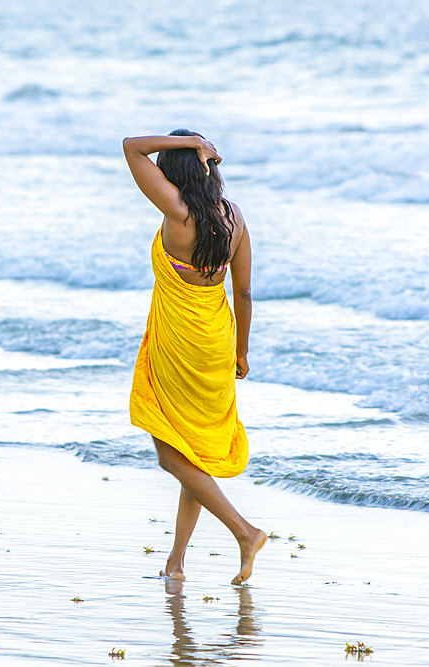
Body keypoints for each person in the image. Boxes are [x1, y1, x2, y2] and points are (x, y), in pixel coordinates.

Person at [124, 130, 266, 585]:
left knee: (171, 455)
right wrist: (242, 350)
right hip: (218, 340)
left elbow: (130, 146)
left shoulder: (177, 212)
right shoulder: (234, 218)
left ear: (176, 170)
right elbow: (243, 291)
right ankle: (176, 562)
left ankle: (244, 532)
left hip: (181, 342)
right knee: (192, 453)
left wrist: (186, 144)